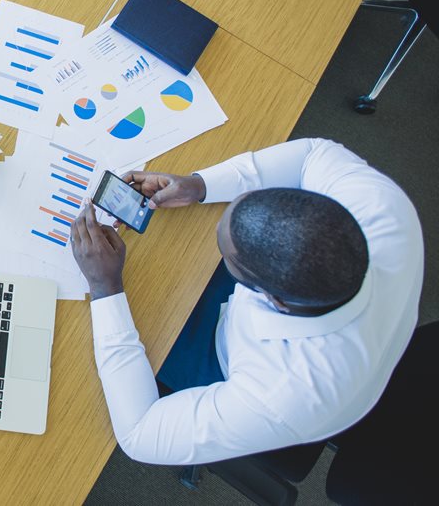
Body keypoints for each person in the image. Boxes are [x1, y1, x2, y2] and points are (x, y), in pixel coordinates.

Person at [70, 138, 423, 465]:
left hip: (236, 364)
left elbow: (139, 434)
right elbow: (314, 153)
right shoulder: (382, 207)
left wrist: (106, 286)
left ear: (269, 298)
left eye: (226, 255)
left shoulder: (279, 395)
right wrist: (200, 186)